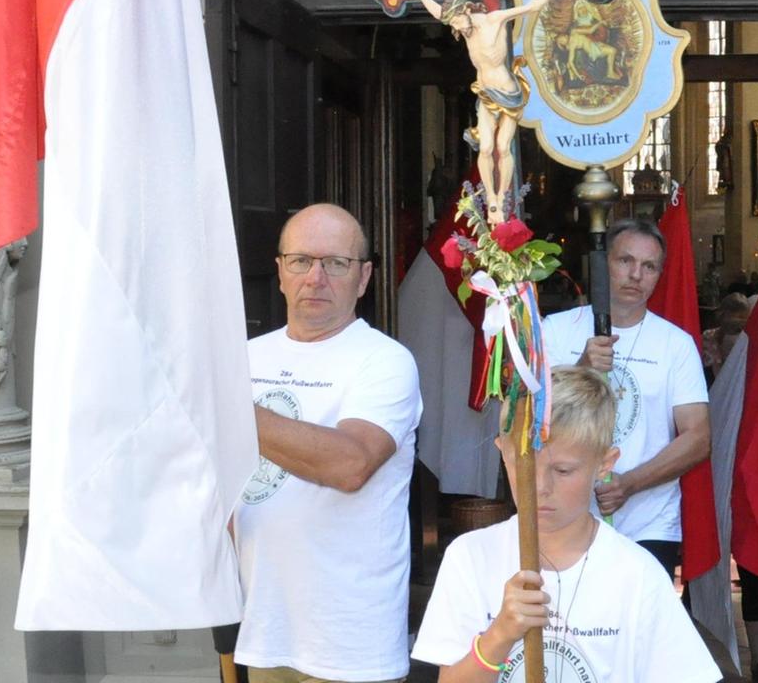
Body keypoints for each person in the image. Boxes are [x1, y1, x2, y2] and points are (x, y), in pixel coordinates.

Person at [412, 366, 722, 682]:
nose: (540, 487)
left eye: (562, 471)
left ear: (605, 464)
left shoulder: (637, 575)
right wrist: (500, 634)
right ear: (502, 453)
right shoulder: (470, 557)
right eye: (525, 465)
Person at [233, 204, 423, 683]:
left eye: (336, 263)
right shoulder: (244, 358)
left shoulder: (385, 362)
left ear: (364, 278)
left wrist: (229, 406)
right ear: (279, 272)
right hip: (264, 627)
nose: (315, 277)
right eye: (301, 260)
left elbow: (350, 465)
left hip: (350, 642)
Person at [541, 218, 710, 576]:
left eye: (649, 267)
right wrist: (582, 369)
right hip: (566, 516)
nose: (636, 275)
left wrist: (629, 484)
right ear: (604, 266)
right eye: (625, 261)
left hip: (650, 524)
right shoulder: (556, 330)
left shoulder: (675, 345)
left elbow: (698, 438)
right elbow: (532, 418)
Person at [403, 0, 574, 226]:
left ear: (466, 12)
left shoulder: (493, 20)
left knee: (503, 147)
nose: (457, 29)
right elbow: (438, 12)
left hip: (508, 93)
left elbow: (531, 7)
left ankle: (503, 197)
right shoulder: (462, 27)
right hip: (484, 93)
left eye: (457, 22)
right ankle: (492, 201)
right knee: (485, 147)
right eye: (452, 25)